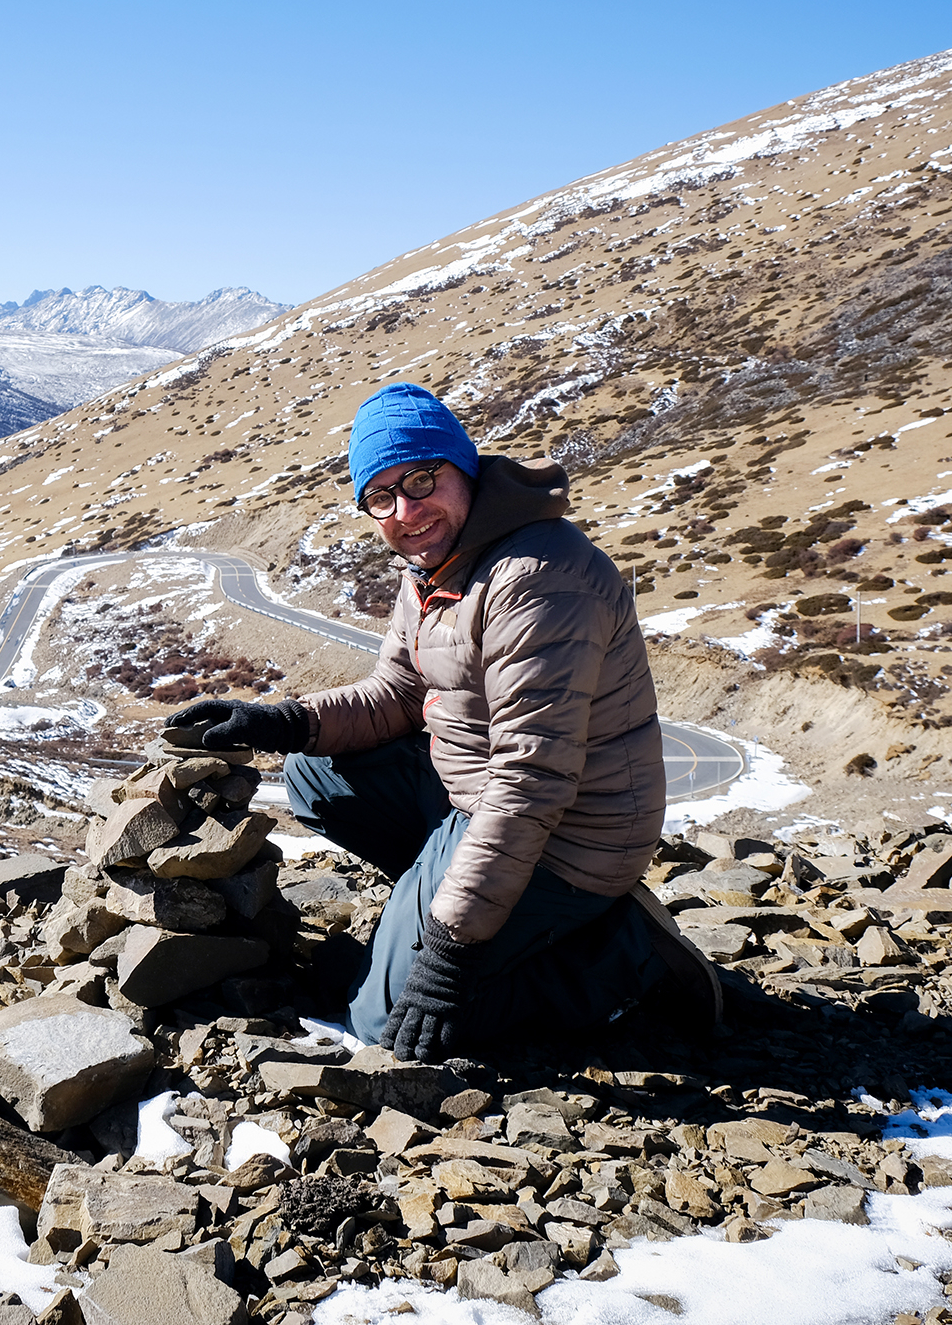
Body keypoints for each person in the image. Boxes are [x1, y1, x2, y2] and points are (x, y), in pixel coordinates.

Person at [167, 381, 718, 1062]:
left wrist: (447, 956)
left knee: (385, 1020)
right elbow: (399, 693)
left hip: (573, 837)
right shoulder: (436, 561)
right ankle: (476, 903)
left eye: (421, 479)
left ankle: (618, 962)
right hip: (476, 799)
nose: (405, 510)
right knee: (315, 771)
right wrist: (279, 721)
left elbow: (531, 780)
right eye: (380, 497)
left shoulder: (536, 577)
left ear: (465, 467)